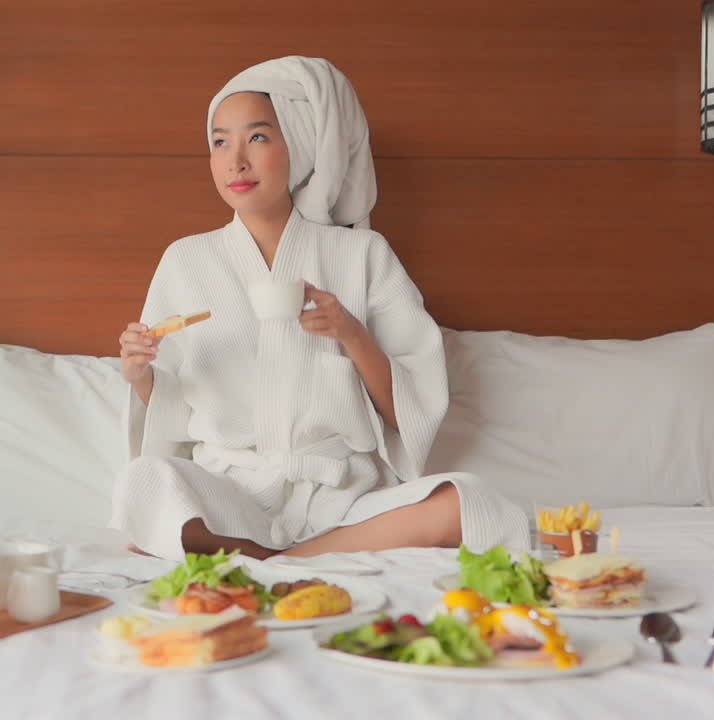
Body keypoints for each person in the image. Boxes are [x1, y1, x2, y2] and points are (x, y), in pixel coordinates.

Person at [110, 56, 528, 561]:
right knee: (144, 483)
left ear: (301, 145)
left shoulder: (362, 253)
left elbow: (408, 412)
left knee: (468, 503)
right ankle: (300, 553)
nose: (235, 161)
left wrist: (351, 333)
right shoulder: (186, 259)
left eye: (258, 138)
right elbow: (170, 414)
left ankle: (278, 562)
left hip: (339, 494)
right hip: (232, 491)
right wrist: (139, 373)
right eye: (220, 141)